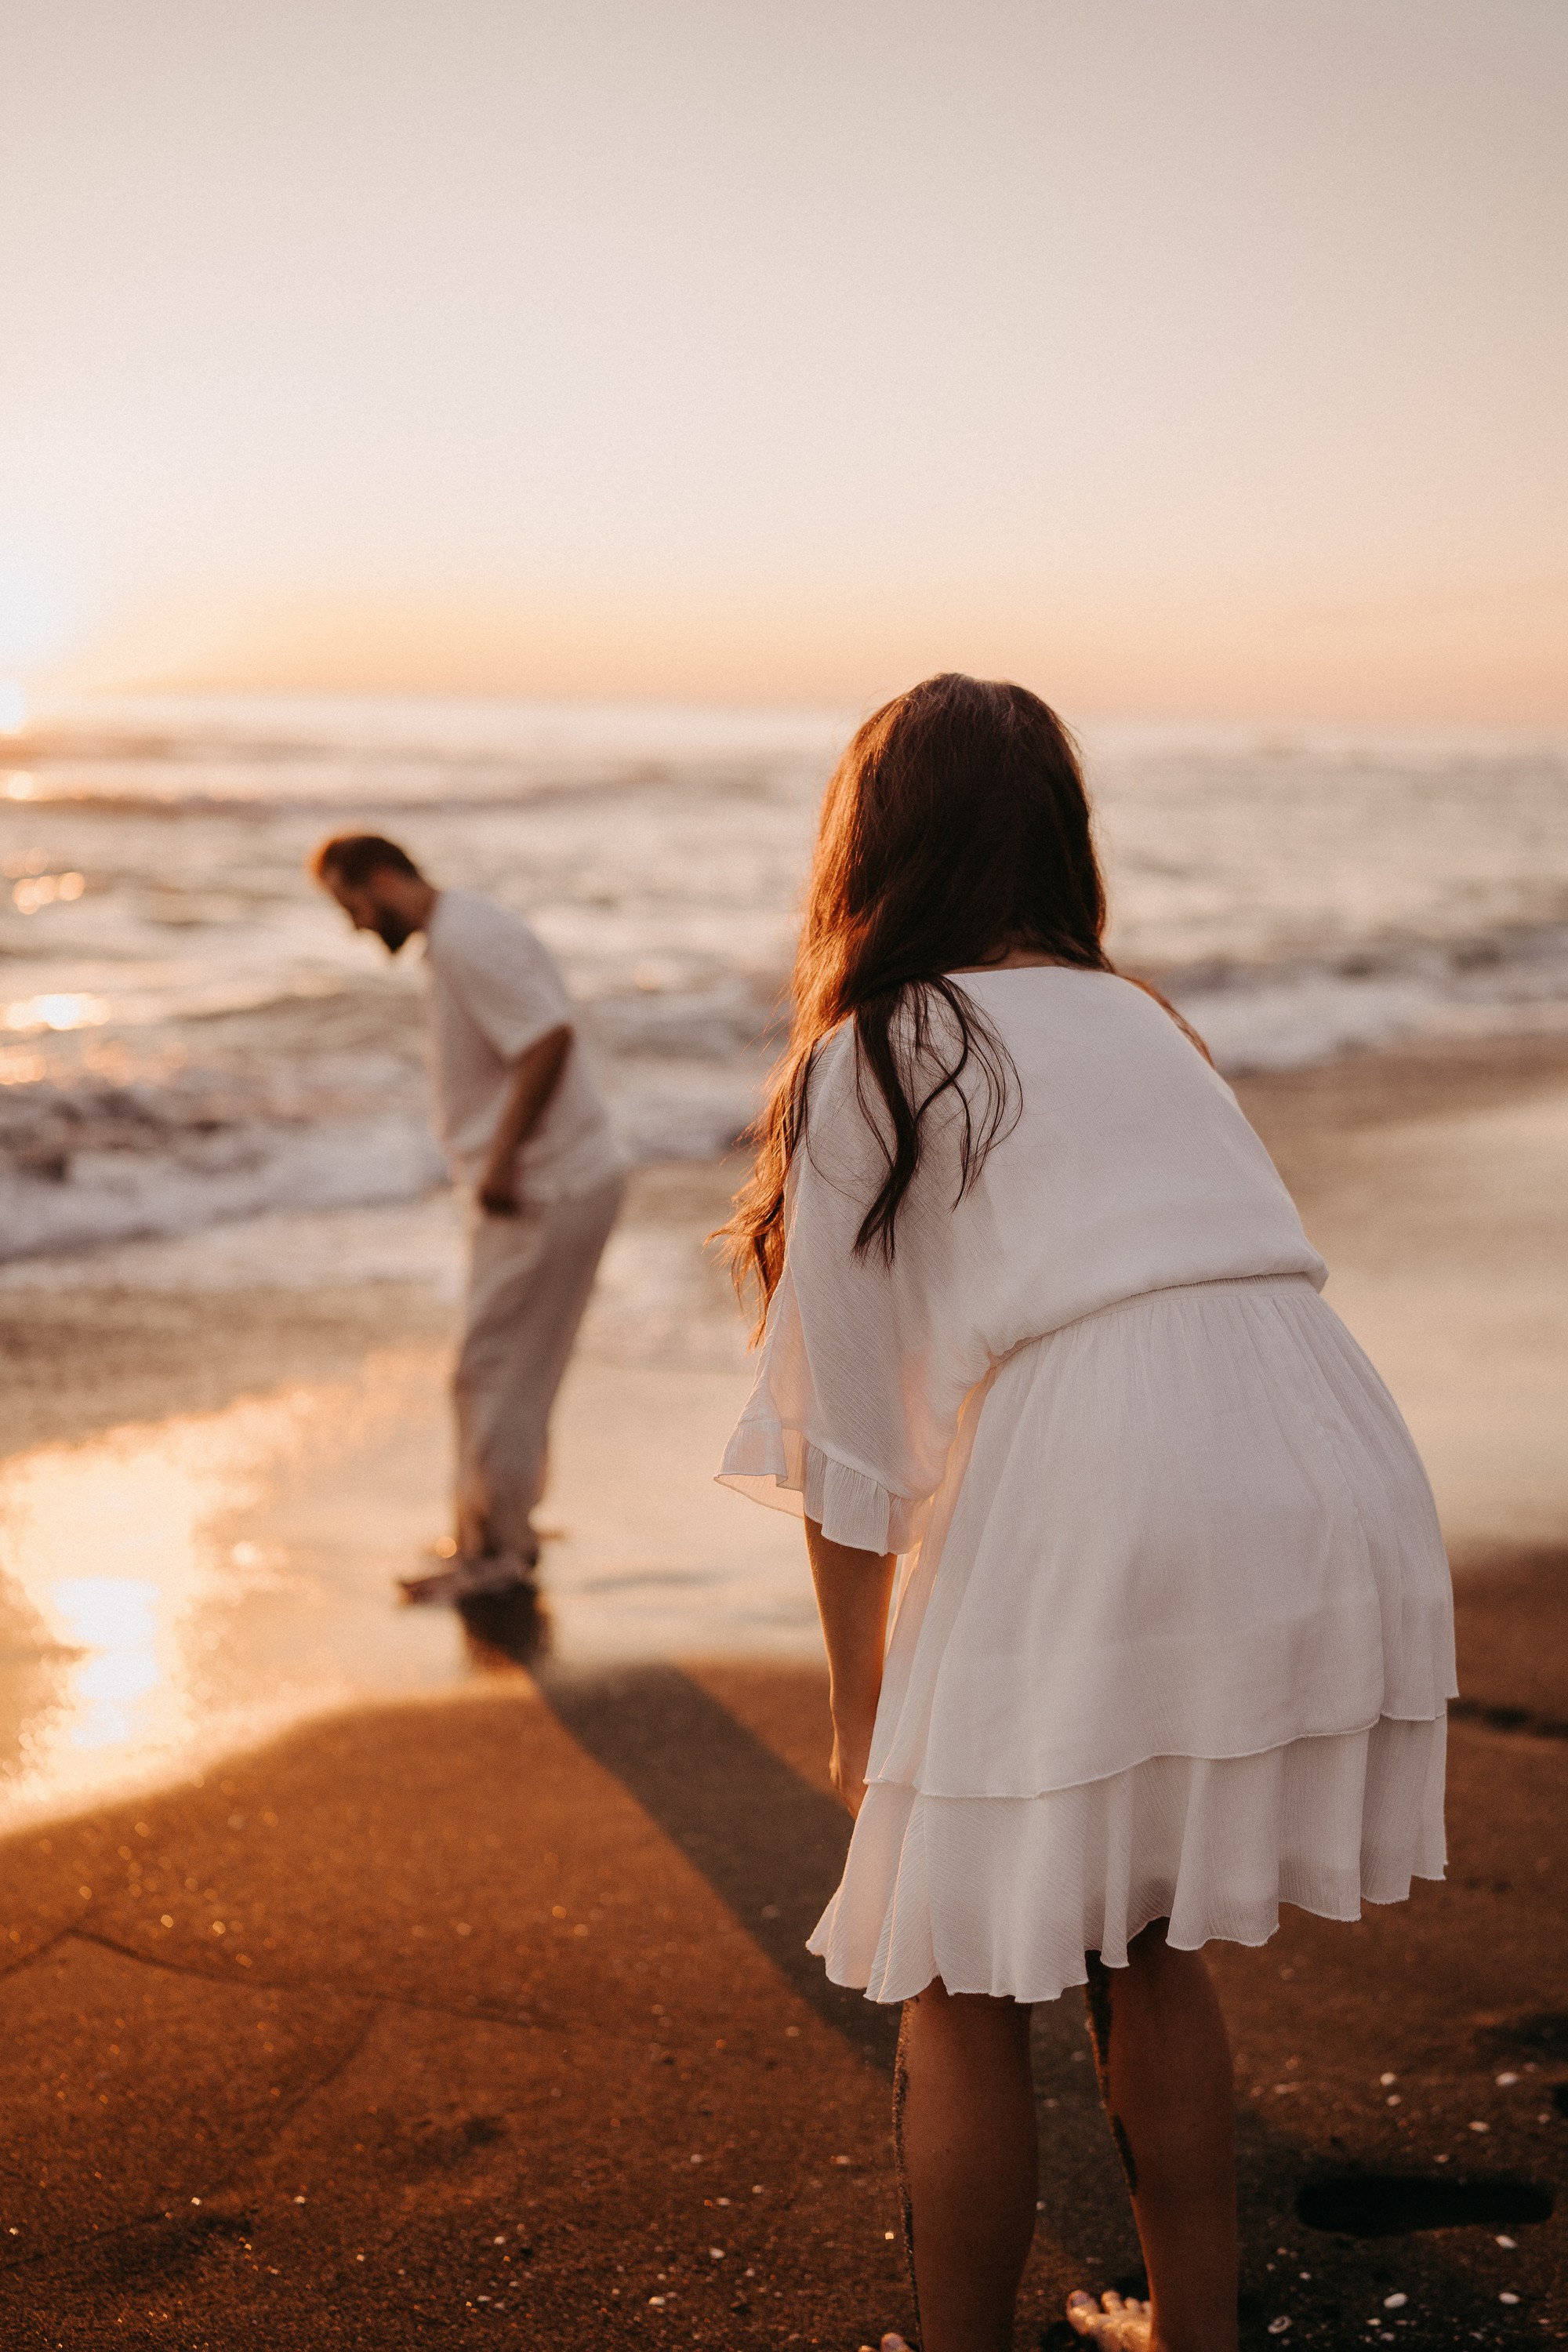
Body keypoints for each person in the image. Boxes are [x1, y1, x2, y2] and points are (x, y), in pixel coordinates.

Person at [717, 676, 1455, 2352]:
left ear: (870, 841)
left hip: (1120, 1470)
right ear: (1057, 833)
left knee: (955, 1968)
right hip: (1319, 1445)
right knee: (1140, 1926)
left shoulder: (879, 1052)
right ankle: (1194, 2331)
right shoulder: (1144, 1019)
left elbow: (846, 1443)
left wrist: (860, 1713)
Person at [313, 834, 626, 1602]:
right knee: (515, 1370)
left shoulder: (464, 939)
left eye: (349, 904)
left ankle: (491, 1555)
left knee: (488, 1371)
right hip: (560, 1177)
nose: (353, 925)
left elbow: (546, 1040)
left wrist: (499, 1162)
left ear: (380, 879)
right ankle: (500, 1534)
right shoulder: (463, 930)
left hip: (542, 1185)